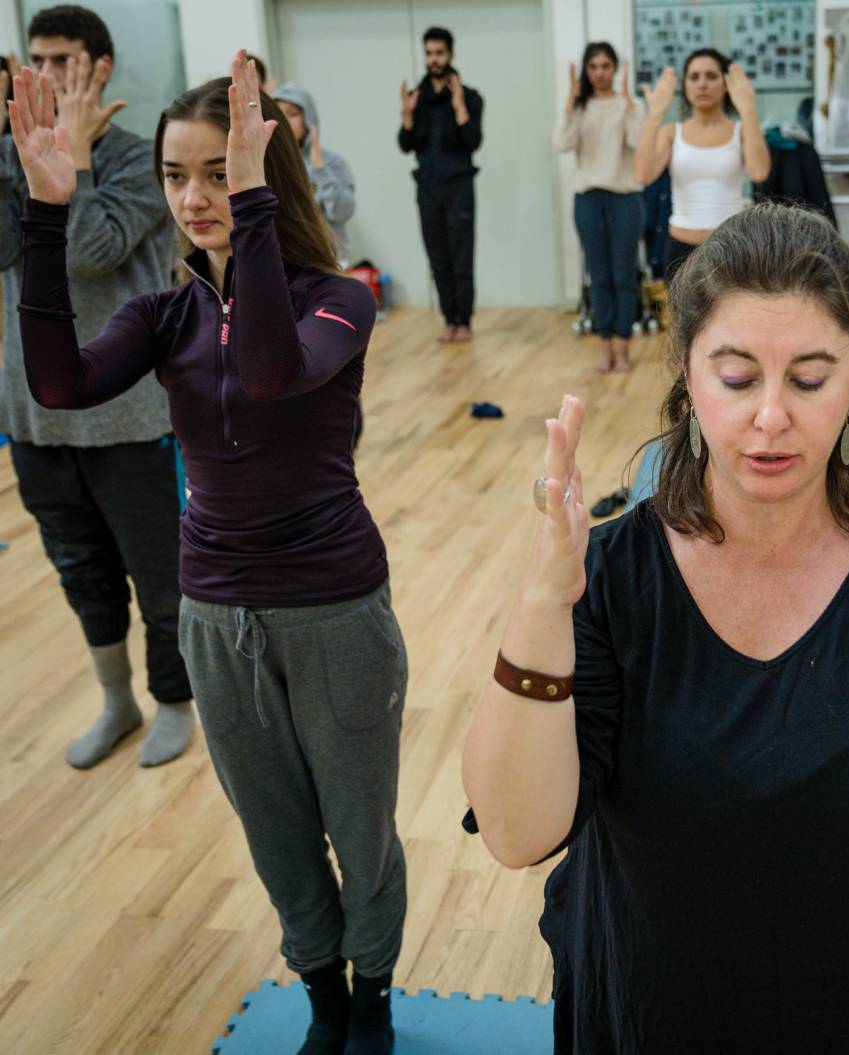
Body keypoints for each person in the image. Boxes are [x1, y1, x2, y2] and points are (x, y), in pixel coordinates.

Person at [461, 203, 849, 1052]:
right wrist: (540, 601)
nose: (772, 417)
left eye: (811, 378)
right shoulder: (606, 578)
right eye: (738, 378)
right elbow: (516, 830)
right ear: (687, 373)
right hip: (650, 1012)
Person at [10, 52, 407, 1055]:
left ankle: (374, 1000)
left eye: (216, 171)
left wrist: (253, 193)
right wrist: (49, 208)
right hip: (214, 609)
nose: (195, 197)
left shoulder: (341, 297)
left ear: (263, 175)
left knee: (359, 831)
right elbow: (56, 386)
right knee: (274, 831)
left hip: (333, 607)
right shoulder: (165, 311)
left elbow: (272, 372)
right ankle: (322, 996)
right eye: (176, 175)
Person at [0, 3, 194, 770]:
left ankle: (175, 700)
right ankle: (117, 700)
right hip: (34, 414)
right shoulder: (10, 155)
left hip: (127, 412)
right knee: (80, 567)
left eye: (60, 61)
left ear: (99, 70)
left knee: (159, 573)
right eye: (34, 60)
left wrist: (71, 160)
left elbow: (89, 251)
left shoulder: (143, 159)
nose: (43, 74)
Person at [633, 48, 770, 280]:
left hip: (730, 247)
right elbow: (642, 175)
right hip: (680, 248)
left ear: (726, 84)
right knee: (681, 317)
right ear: (685, 86)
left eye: (711, 76)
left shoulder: (742, 131)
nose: (702, 84)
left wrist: (748, 109)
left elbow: (759, 172)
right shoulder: (671, 133)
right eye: (694, 77)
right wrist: (654, 115)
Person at [553, 43, 644, 374]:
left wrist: (631, 106)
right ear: (586, 71)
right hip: (589, 198)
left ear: (615, 68)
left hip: (625, 197)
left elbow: (639, 143)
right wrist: (570, 102)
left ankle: (623, 347)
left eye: (606, 65)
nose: (600, 72)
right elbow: (560, 143)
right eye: (594, 66)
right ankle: (604, 346)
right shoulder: (581, 107)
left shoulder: (630, 105)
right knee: (599, 275)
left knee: (624, 275)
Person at [398, 26, 483, 344]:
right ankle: (449, 319)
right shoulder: (416, 98)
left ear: (451, 55)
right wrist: (407, 115)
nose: (433, 59)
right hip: (428, 187)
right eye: (429, 53)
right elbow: (405, 145)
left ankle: (465, 320)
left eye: (439, 53)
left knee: (462, 257)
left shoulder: (470, 97)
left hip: (459, 185)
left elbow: (473, 141)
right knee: (438, 256)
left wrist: (460, 107)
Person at [273, 82, 356, 266]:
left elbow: (342, 212)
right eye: (279, 115)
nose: (284, 121)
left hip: (329, 261)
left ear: (309, 120)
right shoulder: (269, 164)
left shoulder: (334, 163)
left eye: (292, 114)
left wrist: (320, 168)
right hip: (284, 262)